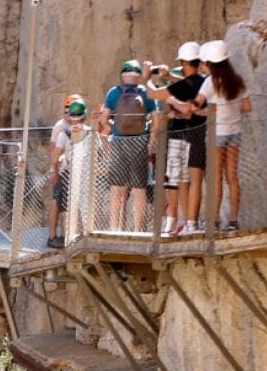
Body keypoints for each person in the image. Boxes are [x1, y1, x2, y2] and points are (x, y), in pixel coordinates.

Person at [147, 41, 209, 235]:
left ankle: (186, 222)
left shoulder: (183, 86)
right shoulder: (205, 82)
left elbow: (152, 93)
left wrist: (147, 76)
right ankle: (191, 223)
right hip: (201, 132)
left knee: (182, 181)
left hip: (184, 135)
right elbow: (189, 82)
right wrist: (170, 75)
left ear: (183, 62)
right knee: (194, 180)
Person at [195, 38, 251, 230]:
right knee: (233, 177)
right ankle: (234, 221)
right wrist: (229, 108)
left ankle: (213, 220)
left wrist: (196, 110)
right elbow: (247, 106)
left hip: (216, 135)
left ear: (210, 63)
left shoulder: (210, 83)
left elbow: (197, 104)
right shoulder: (237, 80)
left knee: (215, 178)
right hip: (234, 134)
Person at [99, 59, 158, 232]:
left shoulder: (113, 93)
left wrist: (110, 127)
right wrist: (150, 141)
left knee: (117, 189)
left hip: (119, 142)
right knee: (139, 190)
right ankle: (139, 230)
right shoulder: (145, 93)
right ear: (139, 76)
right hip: (139, 142)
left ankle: (114, 228)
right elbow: (155, 122)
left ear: (122, 76)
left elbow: (103, 120)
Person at [47, 94, 91, 247]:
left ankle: (68, 238)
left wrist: (56, 169)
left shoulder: (64, 133)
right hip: (81, 173)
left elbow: (53, 154)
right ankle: (62, 236)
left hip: (66, 170)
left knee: (65, 205)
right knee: (67, 203)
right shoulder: (88, 131)